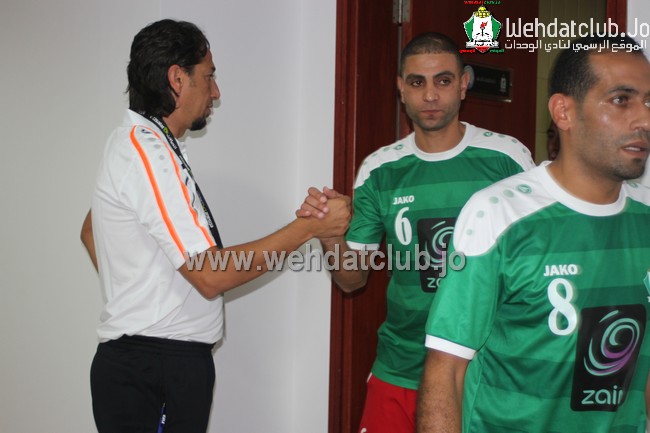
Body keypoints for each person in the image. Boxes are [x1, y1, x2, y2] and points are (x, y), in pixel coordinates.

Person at [80, 19, 350, 433]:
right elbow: (210, 275)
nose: (216, 92)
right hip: (154, 365)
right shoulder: (146, 151)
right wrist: (308, 228)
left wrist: (144, 295)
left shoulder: (148, 145)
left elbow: (91, 229)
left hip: (159, 361)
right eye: (209, 77)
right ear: (177, 79)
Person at [299, 32, 534, 433]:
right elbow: (352, 280)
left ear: (464, 84)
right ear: (401, 88)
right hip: (400, 366)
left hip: (484, 370)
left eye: (443, 81)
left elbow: (535, 262)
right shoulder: (379, 169)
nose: (430, 95)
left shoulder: (507, 158)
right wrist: (330, 236)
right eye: (416, 82)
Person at [417, 34, 650, 433]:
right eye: (620, 100)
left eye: (648, 102)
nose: (643, 120)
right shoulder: (498, 213)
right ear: (563, 111)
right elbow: (447, 369)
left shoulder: (645, 220)